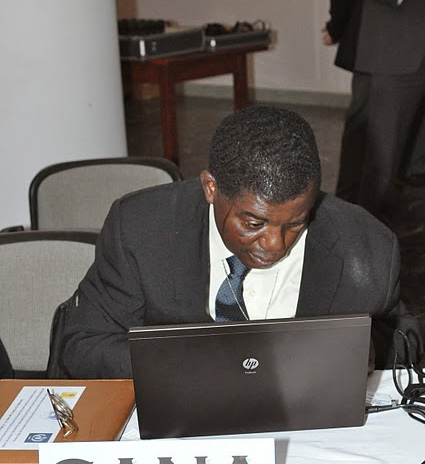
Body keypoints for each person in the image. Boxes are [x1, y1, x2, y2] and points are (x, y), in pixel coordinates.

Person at [61, 105, 421, 378]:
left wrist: (368, 351)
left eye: (296, 223)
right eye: (253, 223)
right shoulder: (142, 228)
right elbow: (82, 345)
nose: (275, 244)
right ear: (211, 188)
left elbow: (404, 343)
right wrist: (200, 364)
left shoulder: (365, 246)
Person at [322, 0, 425, 218]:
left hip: (392, 44)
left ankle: (348, 223)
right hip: (398, 43)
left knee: (367, 146)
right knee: (380, 151)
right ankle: (362, 229)